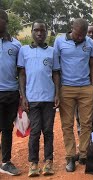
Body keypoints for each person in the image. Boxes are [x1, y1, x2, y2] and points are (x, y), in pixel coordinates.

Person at [18, 19, 60, 177]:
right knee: (35, 131)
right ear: (32, 32)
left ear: (46, 32)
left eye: (42, 30)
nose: (40, 33)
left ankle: (48, 162)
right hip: (32, 97)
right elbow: (21, 74)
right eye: (36, 30)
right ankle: (33, 163)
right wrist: (23, 96)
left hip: (49, 98)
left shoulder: (52, 51)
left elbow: (56, 73)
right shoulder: (24, 50)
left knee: (48, 131)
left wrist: (57, 94)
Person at [54, 18, 93, 172]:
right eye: (78, 34)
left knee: (86, 123)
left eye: (83, 35)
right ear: (72, 28)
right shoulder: (59, 42)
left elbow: (92, 64)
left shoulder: (89, 42)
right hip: (67, 88)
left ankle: (83, 154)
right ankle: (70, 156)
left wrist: (92, 86)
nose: (81, 37)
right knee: (67, 125)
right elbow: (56, 69)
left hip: (86, 88)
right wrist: (57, 91)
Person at [0, 9, 22, 176]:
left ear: (5, 22)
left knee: (7, 128)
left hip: (11, 93)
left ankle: (6, 162)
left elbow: (21, 72)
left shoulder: (16, 44)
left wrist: (22, 94)